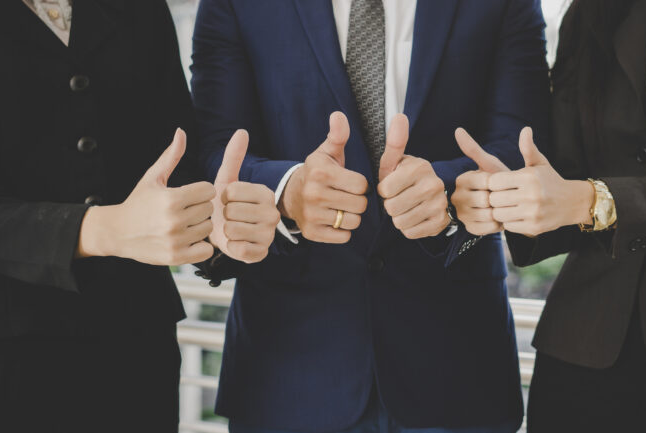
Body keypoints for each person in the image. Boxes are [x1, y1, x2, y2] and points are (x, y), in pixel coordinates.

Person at [190, 0, 550, 432]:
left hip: (456, 363)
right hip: (289, 365)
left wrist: (446, 187)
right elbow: (213, 149)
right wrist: (288, 191)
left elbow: (523, 147)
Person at [451, 0, 646, 431]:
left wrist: (596, 200)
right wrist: (511, 198)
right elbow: (568, 177)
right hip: (582, 351)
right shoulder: (591, 12)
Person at [0, 1, 278, 432]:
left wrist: (216, 224)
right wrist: (105, 229)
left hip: (137, 355)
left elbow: (179, 165)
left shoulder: (139, 8)